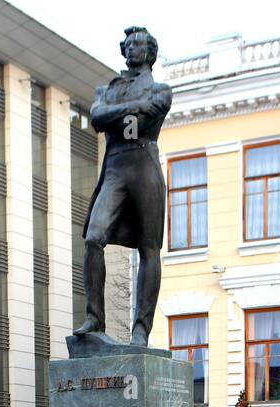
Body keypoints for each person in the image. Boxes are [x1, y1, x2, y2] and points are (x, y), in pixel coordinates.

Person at [74, 25, 172, 347]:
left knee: (149, 249)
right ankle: (94, 318)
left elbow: (147, 117)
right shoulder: (107, 88)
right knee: (93, 238)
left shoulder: (161, 90)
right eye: (128, 44)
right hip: (115, 167)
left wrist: (117, 115)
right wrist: (131, 108)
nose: (132, 49)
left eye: (139, 44)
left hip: (144, 166)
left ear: (150, 52)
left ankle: (141, 329)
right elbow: (98, 117)